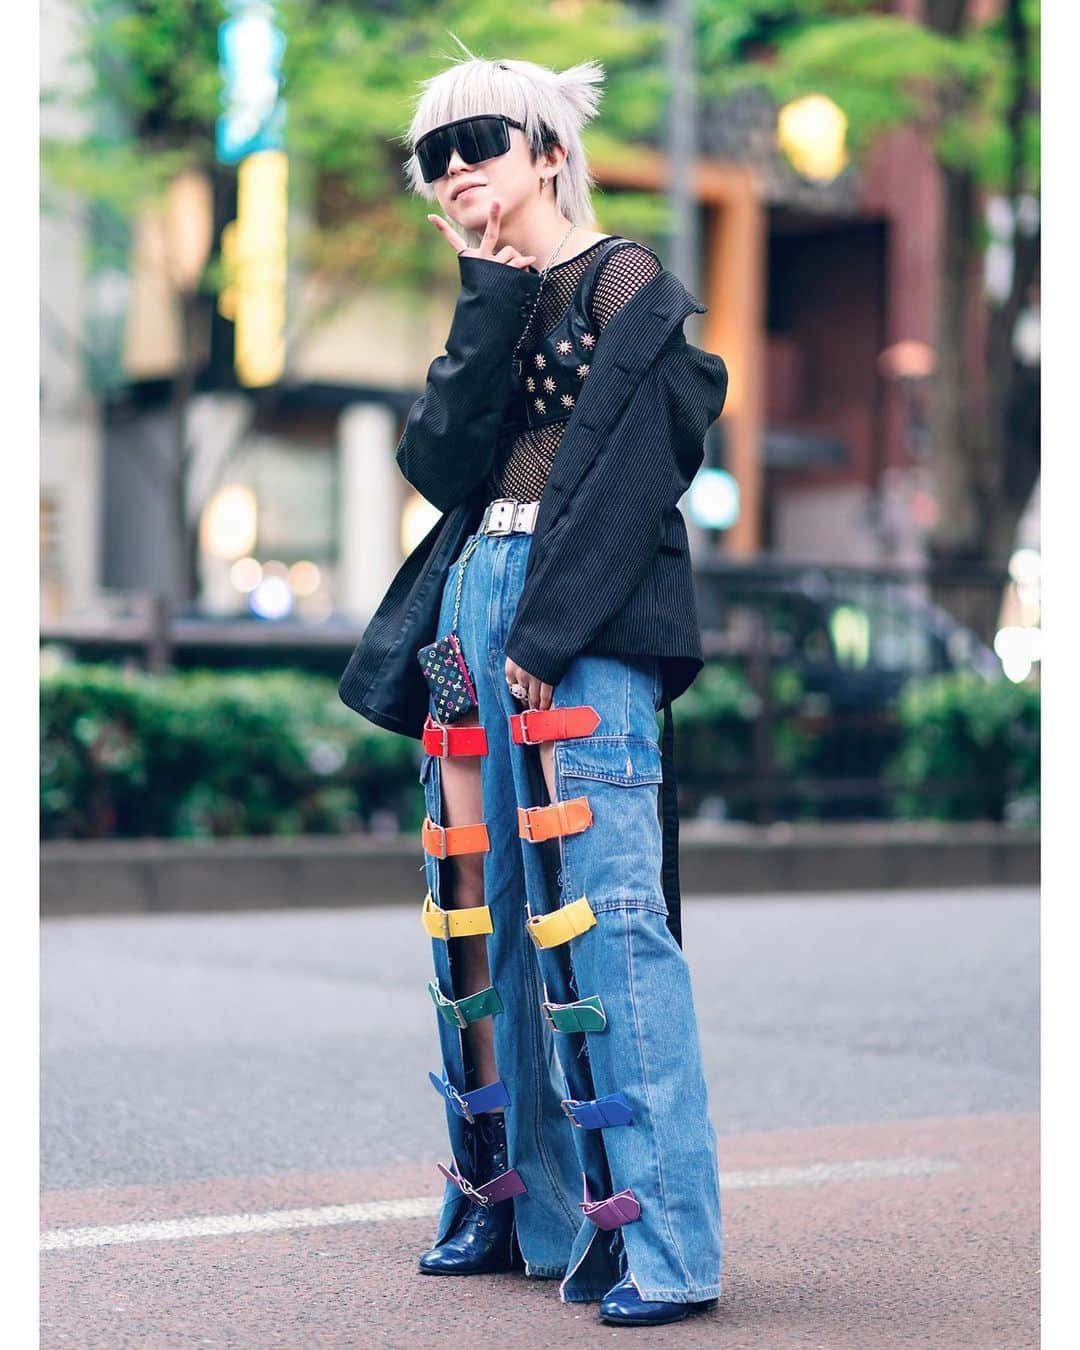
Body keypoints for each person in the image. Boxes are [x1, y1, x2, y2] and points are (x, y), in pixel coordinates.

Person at [338, 48, 728, 1328]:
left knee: (600, 922)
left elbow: (637, 474)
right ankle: (508, 1197)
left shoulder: (631, 285)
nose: (456, 171)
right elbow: (442, 464)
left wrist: (551, 634)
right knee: (473, 908)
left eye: (483, 142)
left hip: (584, 616)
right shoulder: (493, 298)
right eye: (435, 156)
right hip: (469, 601)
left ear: (549, 149)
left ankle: (655, 1236)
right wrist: (483, 304)